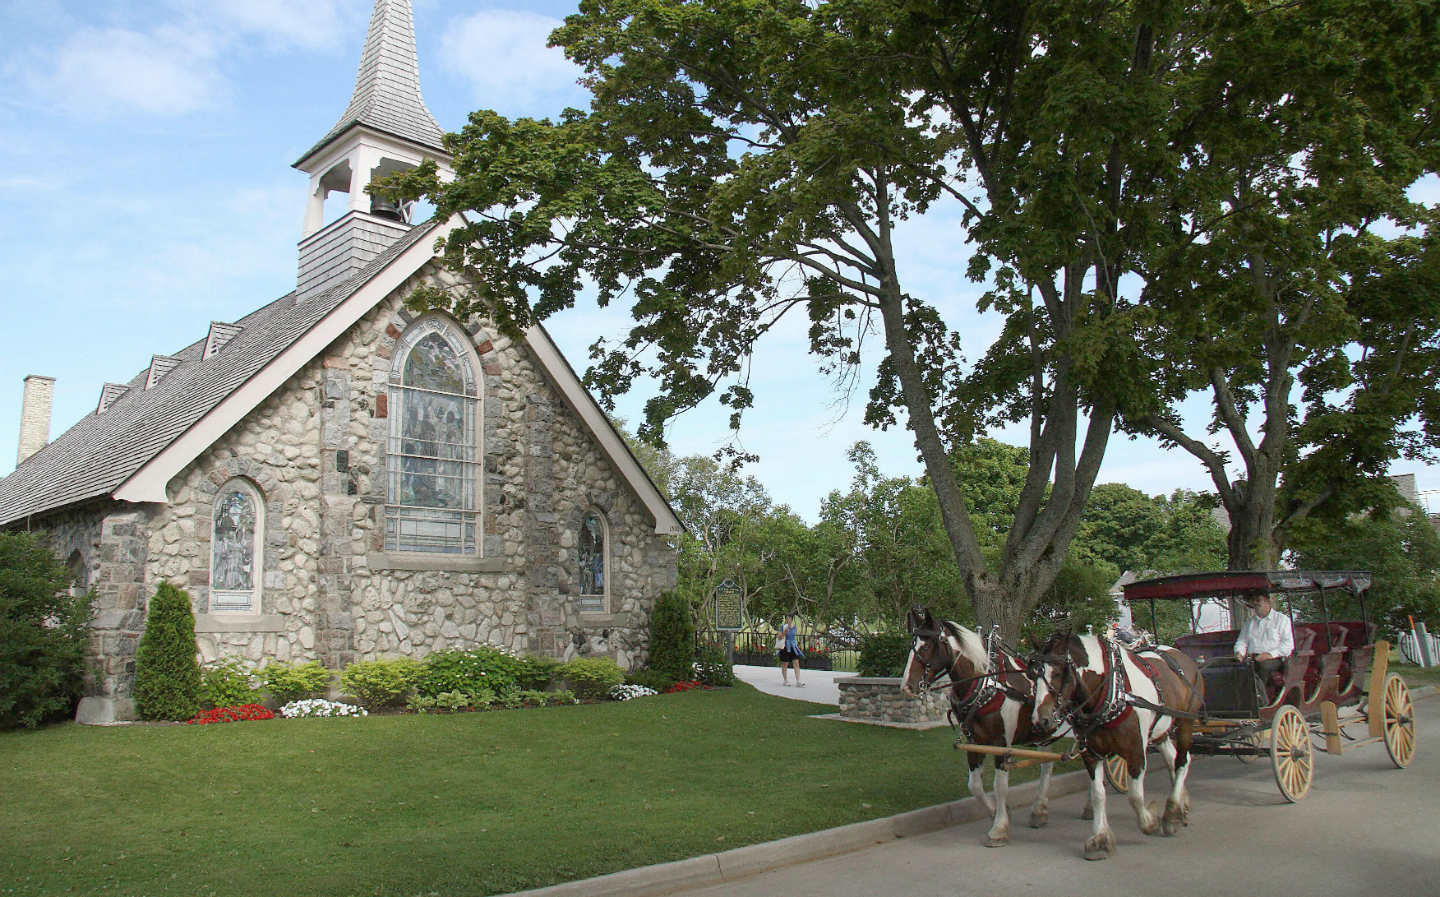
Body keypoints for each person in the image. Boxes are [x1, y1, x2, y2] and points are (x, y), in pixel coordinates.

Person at [1233, 593, 1294, 701]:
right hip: (1252, 658)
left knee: (1259, 666)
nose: (1255, 603)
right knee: (1236, 666)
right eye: (1253, 601)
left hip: (1274, 659)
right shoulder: (1249, 623)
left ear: (1268, 602)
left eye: (1258, 600)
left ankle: (1260, 701)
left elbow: (1288, 645)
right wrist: (1239, 654)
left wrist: (1270, 654)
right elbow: (1242, 642)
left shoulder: (1281, 619)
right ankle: (1239, 699)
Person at [777, 612, 805, 686]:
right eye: (787, 618)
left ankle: (798, 680)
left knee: (796, 663)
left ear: (792, 619)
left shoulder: (794, 627)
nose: (788, 619)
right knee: (785, 664)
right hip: (785, 647)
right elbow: (779, 637)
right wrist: (784, 632)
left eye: (789, 618)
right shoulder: (783, 627)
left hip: (793, 646)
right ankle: (785, 680)